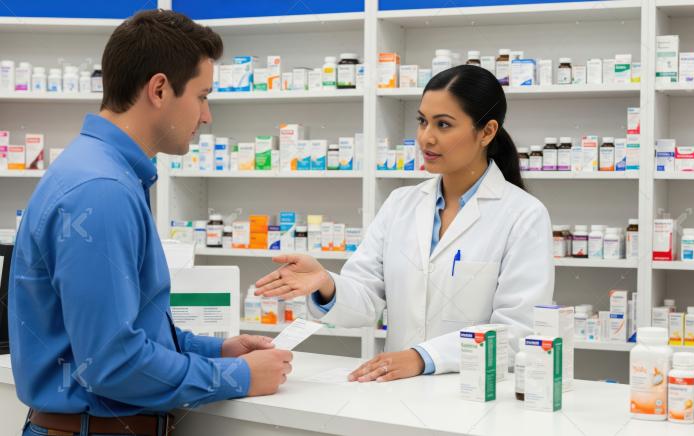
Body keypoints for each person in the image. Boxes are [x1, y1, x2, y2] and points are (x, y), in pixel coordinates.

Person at [10, 10, 291, 436]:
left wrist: (218, 350)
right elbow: (113, 364)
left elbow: (129, 328)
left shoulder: (105, 172)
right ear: (159, 89)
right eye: (202, 96)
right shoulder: (101, 189)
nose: (206, 116)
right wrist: (240, 376)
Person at [256, 65, 554, 383]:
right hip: (398, 392)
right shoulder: (401, 204)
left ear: (487, 132)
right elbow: (366, 300)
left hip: (476, 393)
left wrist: (423, 357)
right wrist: (325, 283)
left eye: (444, 124)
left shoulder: (523, 215)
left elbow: (518, 331)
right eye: (423, 121)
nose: (427, 137)